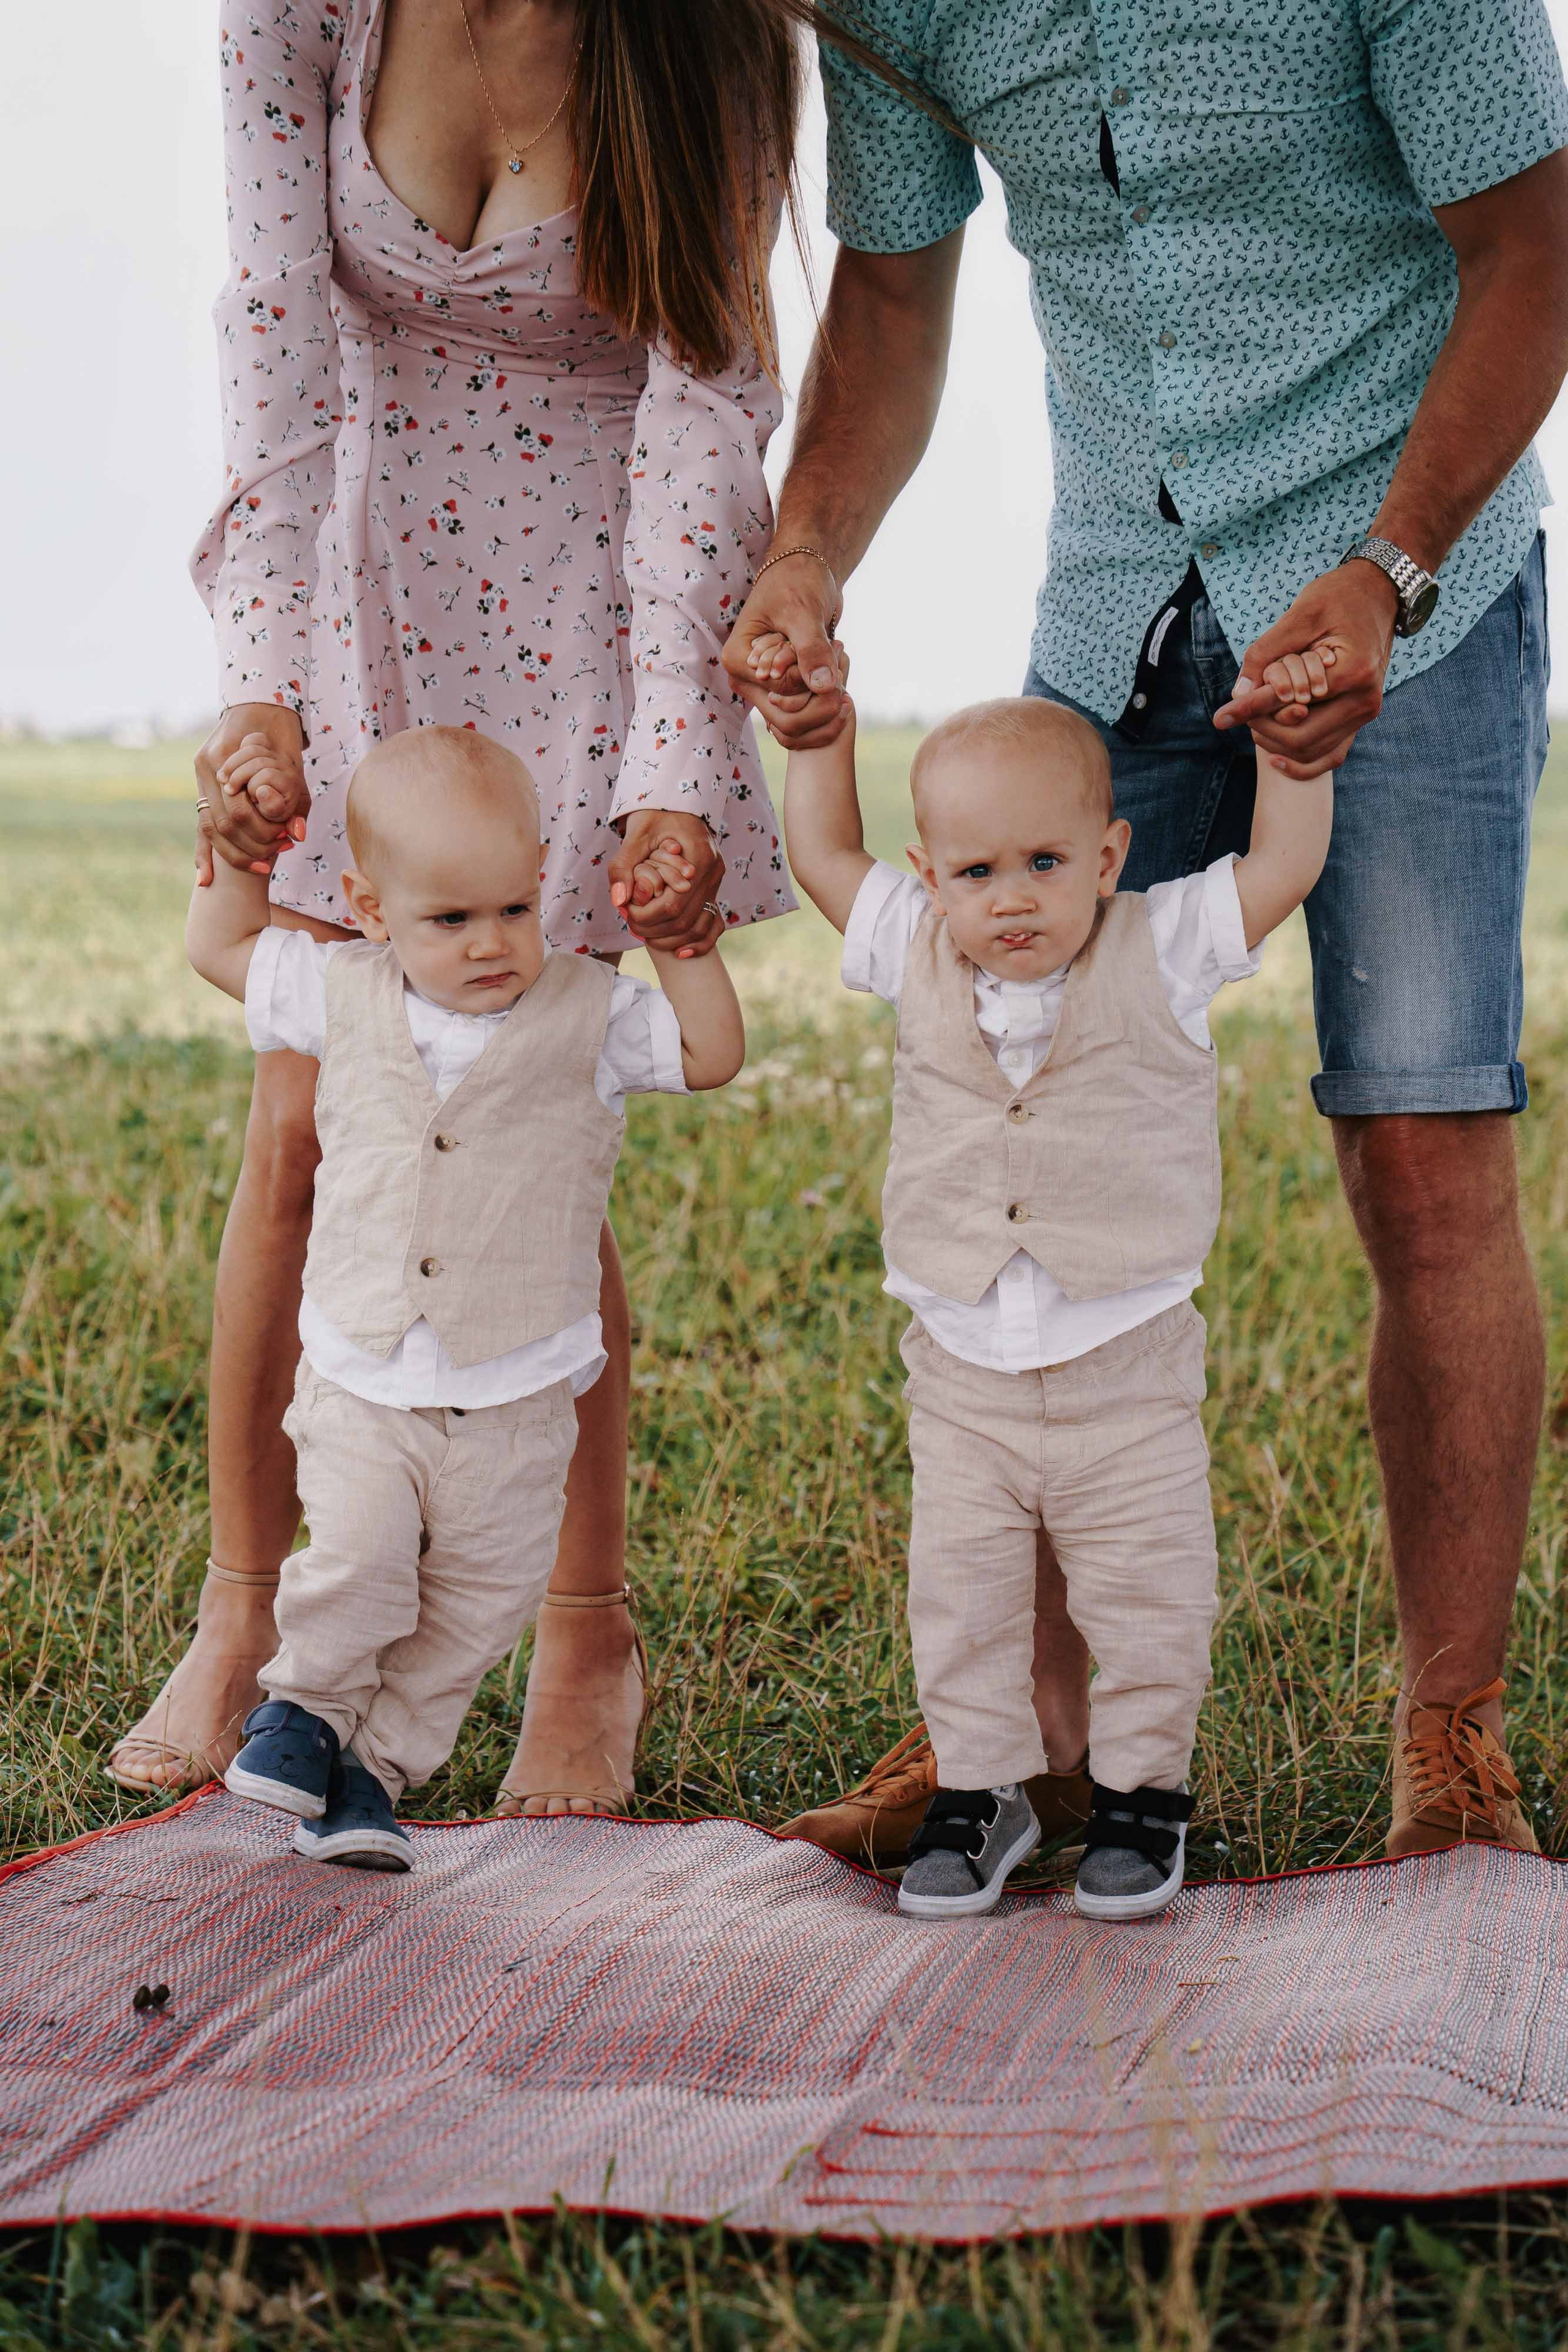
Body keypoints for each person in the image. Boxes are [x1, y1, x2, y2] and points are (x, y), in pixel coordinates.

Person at [734, 1, 1568, 1864]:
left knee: (1423, 1144)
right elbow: (892, 293)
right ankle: (1011, 1742)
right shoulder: (894, 8)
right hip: (1120, 592)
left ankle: (1452, 1735)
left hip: (1409, 581)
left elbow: (1534, 245)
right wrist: (805, 552)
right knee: (994, 1085)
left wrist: (1389, 567)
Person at [110, 0, 801, 1814]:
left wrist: (672, 749)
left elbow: (707, 398)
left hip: (590, 596)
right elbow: (275, 337)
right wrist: (263, 685)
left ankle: (585, 1632)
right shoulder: (301, 17)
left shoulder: (713, 39)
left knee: (526, 1120)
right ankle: (248, 1611)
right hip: (358, 576)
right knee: (301, 1127)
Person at [778, 670, 1332, 1916]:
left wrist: (1295, 761)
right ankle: (984, 1790)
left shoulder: (1163, 943)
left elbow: (1283, 866)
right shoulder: (913, 949)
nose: (1012, 897)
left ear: (1108, 856)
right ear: (930, 878)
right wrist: (819, 740)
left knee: (1148, 1591)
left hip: (1124, 1365)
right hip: (961, 1374)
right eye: (975, 873)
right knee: (963, 1599)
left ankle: (1141, 1794)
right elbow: (822, 855)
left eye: (1044, 861)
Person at [186, 725, 744, 1868]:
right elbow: (220, 944)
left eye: (513, 909)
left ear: (541, 881)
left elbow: (711, 1053)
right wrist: (240, 856)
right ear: (370, 908)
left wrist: (681, 944)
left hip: (519, 1397)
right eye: (449, 920)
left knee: (480, 1602)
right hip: (365, 1376)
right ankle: (302, 1711)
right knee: (361, 1560)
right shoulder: (335, 990)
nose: (490, 944)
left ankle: (374, 1771)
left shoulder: (589, 1011)